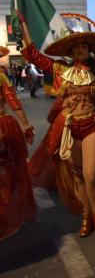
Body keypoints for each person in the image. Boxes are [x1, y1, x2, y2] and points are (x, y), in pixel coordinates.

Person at [17, 14, 95, 237]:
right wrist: (24, 26)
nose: (80, 49)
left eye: (83, 45)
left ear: (89, 49)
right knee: (78, 175)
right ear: (70, 51)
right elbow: (33, 55)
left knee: (91, 175)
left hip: (92, 123)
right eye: (75, 46)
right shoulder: (60, 69)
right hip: (68, 126)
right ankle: (87, 215)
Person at [0, 46, 36, 240]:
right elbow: (13, 102)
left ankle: (8, 213)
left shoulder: (2, 77)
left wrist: (25, 124)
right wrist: (25, 124)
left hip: (3, 126)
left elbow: (13, 102)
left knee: (8, 173)